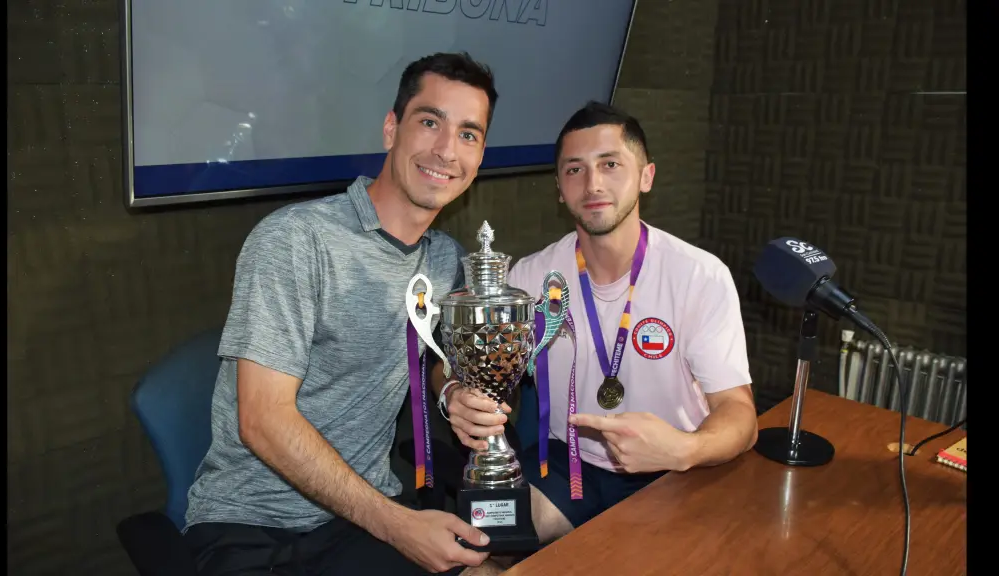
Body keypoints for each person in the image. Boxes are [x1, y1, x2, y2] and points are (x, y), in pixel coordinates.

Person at [183, 52, 506, 576]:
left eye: (469, 134)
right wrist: (398, 525)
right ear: (390, 129)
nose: (447, 150)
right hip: (254, 527)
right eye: (430, 122)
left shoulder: (446, 260)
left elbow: (434, 357)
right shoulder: (295, 240)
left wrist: (451, 391)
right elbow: (262, 420)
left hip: (362, 517)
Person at [436, 101, 759, 545]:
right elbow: (467, 368)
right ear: (558, 187)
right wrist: (456, 393)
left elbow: (739, 415)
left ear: (646, 176)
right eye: (574, 169)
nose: (593, 184)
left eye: (611, 164)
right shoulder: (528, 279)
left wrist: (684, 449)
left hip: (671, 468)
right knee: (482, 552)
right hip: (568, 462)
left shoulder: (699, 276)